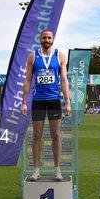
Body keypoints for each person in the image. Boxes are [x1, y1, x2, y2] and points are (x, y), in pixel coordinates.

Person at [21, 29, 71, 181]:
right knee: (37, 135)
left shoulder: (60, 56)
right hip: (38, 100)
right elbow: (28, 79)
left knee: (56, 135)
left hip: (54, 100)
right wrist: (24, 101)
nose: (47, 40)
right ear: (40, 39)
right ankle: (36, 170)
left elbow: (64, 79)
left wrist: (67, 101)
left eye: (49, 37)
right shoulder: (32, 57)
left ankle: (57, 170)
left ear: (53, 39)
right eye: (44, 37)